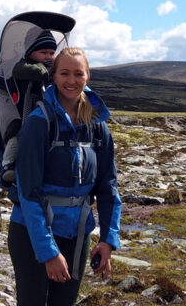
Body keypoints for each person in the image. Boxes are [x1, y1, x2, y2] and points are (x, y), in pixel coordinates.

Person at [8, 47, 121, 306]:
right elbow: (29, 192)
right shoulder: (39, 122)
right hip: (31, 233)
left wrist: (108, 240)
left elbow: (108, 187)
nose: (71, 80)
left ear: (87, 76)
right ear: (54, 76)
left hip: (77, 233)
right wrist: (48, 252)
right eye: (64, 73)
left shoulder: (97, 126)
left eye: (78, 73)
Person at [0, 29, 57, 185]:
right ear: (30, 51)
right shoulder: (22, 65)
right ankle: (9, 165)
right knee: (15, 133)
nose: (49, 57)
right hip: (21, 113)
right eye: (43, 52)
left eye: (52, 53)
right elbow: (23, 71)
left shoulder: (49, 66)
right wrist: (47, 71)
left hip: (41, 112)